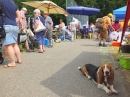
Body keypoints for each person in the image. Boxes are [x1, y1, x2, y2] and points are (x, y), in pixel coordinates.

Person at [0, 0, 22, 67]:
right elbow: (19, 16)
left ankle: (12, 62)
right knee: (14, 44)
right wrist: (13, 21)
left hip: (6, 25)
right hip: (14, 26)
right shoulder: (13, 3)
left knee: (8, 45)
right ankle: (19, 59)